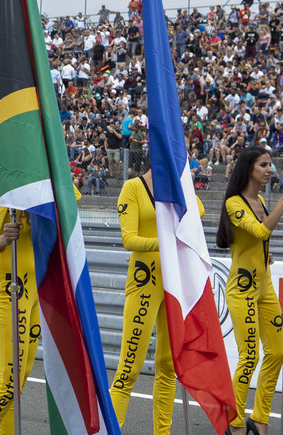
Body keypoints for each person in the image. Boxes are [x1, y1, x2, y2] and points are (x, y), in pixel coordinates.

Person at [109, 170, 204, 434]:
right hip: (144, 283)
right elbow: (129, 239)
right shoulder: (132, 187)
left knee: (167, 365)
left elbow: (198, 212)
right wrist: (168, 242)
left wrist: (183, 184)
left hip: (174, 284)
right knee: (129, 368)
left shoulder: (176, 187)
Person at [215, 146, 283, 435]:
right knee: (249, 356)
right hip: (242, 289)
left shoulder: (261, 199)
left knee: (276, 353)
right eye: (264, 165)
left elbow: (259, 239)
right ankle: (236, 423)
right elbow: (262, 231)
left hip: (265, 287)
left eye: (270, 165)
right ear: (249, 167)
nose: (269, 170)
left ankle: (260, 418)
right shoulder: (234, 203)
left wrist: (265, 255)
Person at [0, 176, 38, 433]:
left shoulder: (39, 189)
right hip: (8, 290)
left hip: (35, 293)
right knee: (8, 382)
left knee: (20, 380)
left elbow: (71, 196)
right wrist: (1, 241)